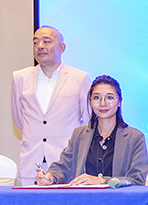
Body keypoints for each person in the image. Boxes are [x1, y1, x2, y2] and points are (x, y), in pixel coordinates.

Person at [11, 26, 91, 185]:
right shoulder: (20, 77)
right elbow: (19, 119)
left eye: (46, 41)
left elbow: (88, 121)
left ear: (61, 47)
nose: (40, 46)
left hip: (66, 162)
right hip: (31, 162)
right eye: (35, 42)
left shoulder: (80, 78)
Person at [36, 75, 148, 186]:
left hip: (118, 197)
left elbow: (137, 180)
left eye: (109, 97)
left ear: (119, 102)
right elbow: (63, 167)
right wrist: (51, 177)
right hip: (83, 197)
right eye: (96, 98)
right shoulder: (79, 135)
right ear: (90, 102)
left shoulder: (135, 137)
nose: (103, 103)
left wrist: (102, 181)